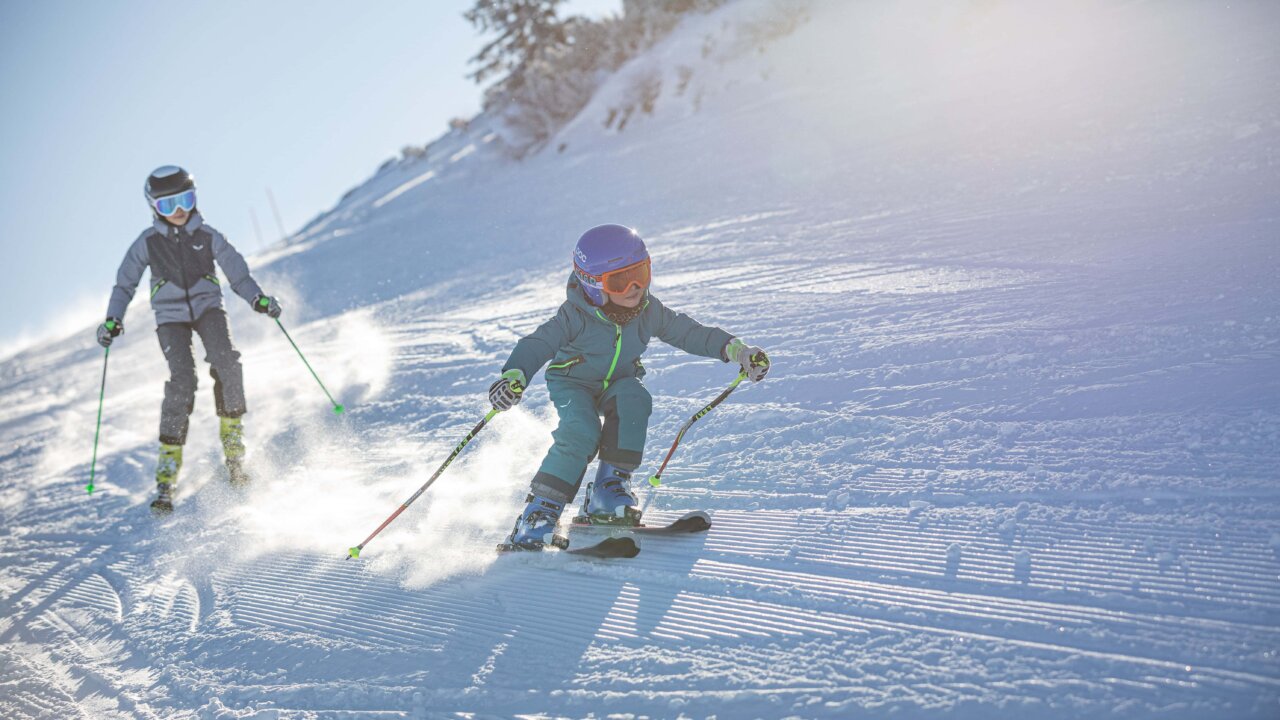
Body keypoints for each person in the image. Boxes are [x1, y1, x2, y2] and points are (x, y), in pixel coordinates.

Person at [489, 224, 770, 550]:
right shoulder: (574, 316)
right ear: (593, 285)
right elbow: (537, 344)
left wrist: (738, 350)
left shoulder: (648, 311)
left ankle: (608, 490)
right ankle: (538, 514)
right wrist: (514, 376)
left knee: (634, 398)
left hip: (619, 380)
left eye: (641, 272)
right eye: (620, 281)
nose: (635, 287)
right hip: (573, 383)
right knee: (580, 432)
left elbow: (690, 332)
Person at [96, 166, 282, 514]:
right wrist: (113, 319)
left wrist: (258, 298)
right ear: (154, 208)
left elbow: (238, 273)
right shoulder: (147, 243)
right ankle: (168, 463)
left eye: (185, 200)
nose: (179, 211)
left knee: (227, 361)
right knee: (183, 380)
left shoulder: (209, 236)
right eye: (169, 205)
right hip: (170, 319)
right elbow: (125, 284)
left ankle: (232, 438)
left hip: (209, 308)